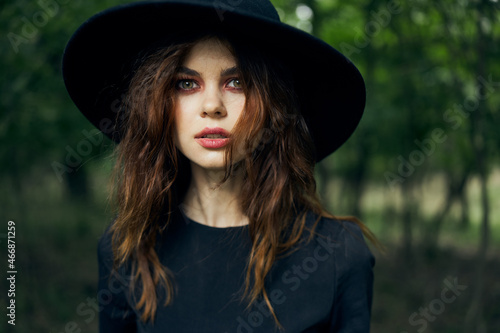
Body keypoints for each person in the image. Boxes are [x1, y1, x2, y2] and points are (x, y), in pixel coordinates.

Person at [62, 0, 378, 332]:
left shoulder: (339, 253)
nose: (212, 105)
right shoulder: (125, 247)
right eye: (186, 83)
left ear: (273, 105)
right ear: (156, 105)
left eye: (237, 82)